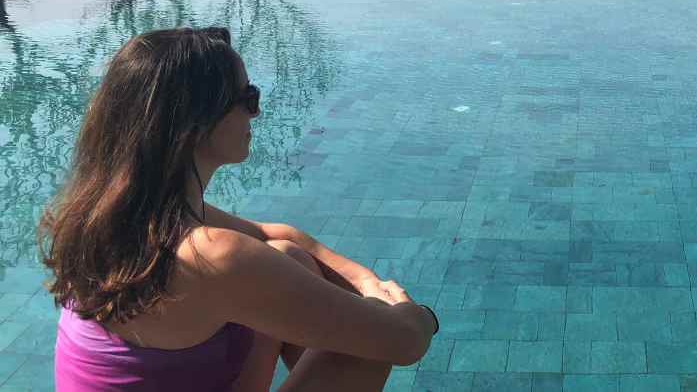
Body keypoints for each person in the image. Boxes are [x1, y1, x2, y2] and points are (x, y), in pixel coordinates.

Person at [39, 27, 438, 391]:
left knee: (289, 258)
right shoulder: (211, 257)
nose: (256, 113)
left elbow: (275, 235)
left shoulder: (122, 216)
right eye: (248, 99)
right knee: (366, 349)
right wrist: (410, 310)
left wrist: (365, 283)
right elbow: (405, 343)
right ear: (195, 122)